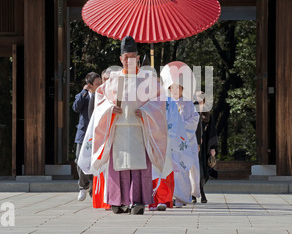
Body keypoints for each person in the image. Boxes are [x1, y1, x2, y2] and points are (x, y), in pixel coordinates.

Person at [78, 36, 167, 215]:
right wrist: (110, 109)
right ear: (121, 59)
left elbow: (159, 100)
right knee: (117, 167)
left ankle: (138, 201)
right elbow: (100, 99)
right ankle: (117, 201)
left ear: (138, 57)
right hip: (118, 128)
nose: (130, 60)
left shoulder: (147, 79)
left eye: (133, 56)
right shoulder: (112, 80)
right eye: (126, 57)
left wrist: (147, 110)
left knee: (139, 166)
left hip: (139, 128)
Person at [160, 62, 200, 207]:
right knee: (172, 169)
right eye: (173, 88)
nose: (176, 90)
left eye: (178, 87)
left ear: (183, 89)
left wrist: (181, 127)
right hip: (171, 141)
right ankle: (172, 195)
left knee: (183, 169)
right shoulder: (167, 103)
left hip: (185, 140)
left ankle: (183, 197)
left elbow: (195, 119)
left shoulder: (188, 103)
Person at [73, 72, 102, 201]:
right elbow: (76, 108)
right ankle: (84, 185)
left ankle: (96, 188)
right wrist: (84, 92)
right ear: (90, 85)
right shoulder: (84, 96)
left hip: (99, 131)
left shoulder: (103, 95)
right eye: (97, 84)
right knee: (79, 159)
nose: (101, 85)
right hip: (84, 132)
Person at [194, 91, 218, 203]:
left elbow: (212, 131)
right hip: (193, 144)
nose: (198, 100)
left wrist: (213, 147)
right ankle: (196, 194)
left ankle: (201, 191)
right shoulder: (191, 111)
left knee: (203, 170)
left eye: (200, 98)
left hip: (204, 147)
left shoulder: (208, 114)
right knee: (195, 169)